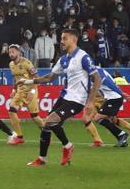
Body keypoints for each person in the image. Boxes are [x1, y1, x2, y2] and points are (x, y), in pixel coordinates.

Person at [21, 28, 101, 167]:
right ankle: (45, 157)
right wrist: (28, 81)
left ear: (74, 40)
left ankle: (65, 147)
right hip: (65, 96)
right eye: (61, 38)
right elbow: (49, 77)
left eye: (65, 38)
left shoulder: (83, 57)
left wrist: (90, 102)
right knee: (47, 124)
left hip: (77, 100)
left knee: (50, 120)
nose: (61, 41)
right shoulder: (64, 59)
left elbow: (97, 79)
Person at [83, 67, 130, 148]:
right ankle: (122, 138)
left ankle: (122, 134)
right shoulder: (96, 71)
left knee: (97, 118)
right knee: (109, 119)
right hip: (112, 98)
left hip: (114, 98)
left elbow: (110, 84)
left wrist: (122, 93)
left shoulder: (98, 73)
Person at [5, 43, 43, 145]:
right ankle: (19, 137)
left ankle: (45, 132)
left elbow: (37, 78)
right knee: (12, 110)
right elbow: (15, 79)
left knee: (34, 116)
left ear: (18, 52)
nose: (11, 54)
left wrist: (32, 91)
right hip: (20, 91)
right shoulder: (11, 64)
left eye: (13, 52)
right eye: (10, 52)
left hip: (30, 90)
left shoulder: (27, 63)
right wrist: (14, 90)